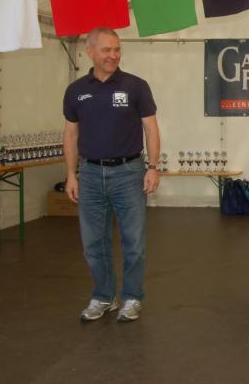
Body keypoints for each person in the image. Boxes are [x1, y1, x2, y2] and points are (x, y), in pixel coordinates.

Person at [63, 27, 160, 322]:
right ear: (89, 51)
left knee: (134, 242)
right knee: (94, 243)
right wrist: (71, 174)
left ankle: (132, 297)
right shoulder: (76, 91)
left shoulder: (136, 86)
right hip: (90, 174)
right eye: (106, 50)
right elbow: (70, 134)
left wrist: (153, 167)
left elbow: (151, 128)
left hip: (129, 173)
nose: (113, 55)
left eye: (117, 49)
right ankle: (104, 297)